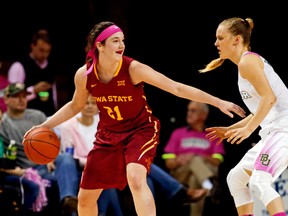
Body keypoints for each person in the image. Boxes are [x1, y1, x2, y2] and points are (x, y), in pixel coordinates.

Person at [25, 21, 246, 216]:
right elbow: (75, 105)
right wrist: (44, 125)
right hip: (108, 135)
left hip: (140, 130)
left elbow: (176, 88)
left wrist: (218, 102)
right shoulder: (84, 75)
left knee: (136, 178)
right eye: (114, 41)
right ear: (99, 46)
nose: (121, 45)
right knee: (85, 198)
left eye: (122, 40)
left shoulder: (133, 68)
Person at [199, 17, 288, 216]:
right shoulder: (245, 63)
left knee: (259, 181)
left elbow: (269, 98)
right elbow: (262, 109)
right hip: (275, 131)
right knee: (235, 178)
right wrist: (230, 129)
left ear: (237, 39)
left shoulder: (248, 61)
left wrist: (248, 130)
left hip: (284, 130)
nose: (216, 43)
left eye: (220, 38)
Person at [0, 82, 79, 216]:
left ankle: (68, 199)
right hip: (31, 167)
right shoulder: (3, 123)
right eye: (16, 96)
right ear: (6, 99)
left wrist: (51, 157)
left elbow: (54, 140)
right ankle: (70, 208)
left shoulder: (38, 115)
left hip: (49, 161)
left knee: (66, 157)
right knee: (68, 179)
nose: (21, 100)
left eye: (24, 96)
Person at [163, 100, 225, 216]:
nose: (189, 113)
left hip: (203, 172)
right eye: (188, 110)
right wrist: (179, 160)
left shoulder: (214, 135)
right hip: (181, 173)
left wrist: (198, 157)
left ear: (203, 115)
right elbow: (168, 164)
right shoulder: (177, 133)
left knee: (195, 179)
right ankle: (211, 186)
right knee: (194, 161)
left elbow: (217, 161)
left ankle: (206, 183)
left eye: (193, 110)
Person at [7, 29, 58, 116]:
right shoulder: (19, 66)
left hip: (47, 118)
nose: (44, 55)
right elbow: (11, 96)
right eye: (41, 50)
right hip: (25, 118)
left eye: (47, 51)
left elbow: (54, 96)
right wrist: (33, 91)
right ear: (32, 46)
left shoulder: (51, 66)